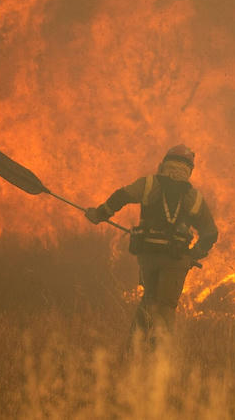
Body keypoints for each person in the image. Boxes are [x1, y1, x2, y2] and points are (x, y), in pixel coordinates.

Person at [85, 144, 218, 338]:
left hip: (148, 257)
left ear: (164, 164)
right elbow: (210, 233)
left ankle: (135, 350)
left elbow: (121, 196)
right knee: (166, 308)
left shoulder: (148, 184)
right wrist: (193, 254)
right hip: (176, 261)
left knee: (148, 301)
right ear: (189, 170)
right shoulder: (194, 197)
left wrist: (100, 213)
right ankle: (160, 358)